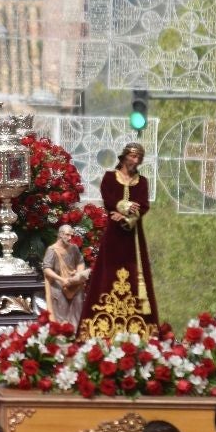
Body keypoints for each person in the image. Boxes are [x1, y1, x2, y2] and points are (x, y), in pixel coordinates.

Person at [78, 143, 159, 336]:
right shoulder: (109, 178)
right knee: (107, 273)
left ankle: (139, 327)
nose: (135, 160)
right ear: (123, 157)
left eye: (139, 157)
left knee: (135, 273)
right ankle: (102, 325)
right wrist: (123, 207)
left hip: (133, 238)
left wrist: (127, 217)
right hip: (113, 237)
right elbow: (108, 199)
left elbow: (144, 205)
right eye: (132, 156)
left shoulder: (142, 181)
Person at [42, 224, 90, 330]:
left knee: (78, 309)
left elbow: (80, 262)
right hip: (58, 284)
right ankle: (62, 336)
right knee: (61, 313)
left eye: (71, 236)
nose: (70, 238)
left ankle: (76, 333)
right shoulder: (52, 250)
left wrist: (78, 273)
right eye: (67, 235)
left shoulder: (74, 248)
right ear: (60, 234)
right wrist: (61, 279)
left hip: (74, 284)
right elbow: (46, 269)